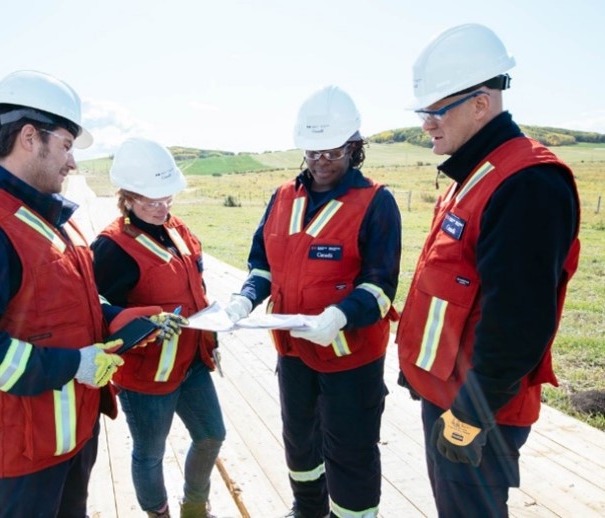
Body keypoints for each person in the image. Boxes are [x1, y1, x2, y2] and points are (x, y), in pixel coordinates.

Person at [0, 70, 177, 516]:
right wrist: (73, 365)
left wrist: (128, 321)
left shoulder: (51, 221)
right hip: (16, 458)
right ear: (29, 137)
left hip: (69, 440)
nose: (72, 162)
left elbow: (75, 308)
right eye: (65, 145)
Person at [395, 24, 581, 517]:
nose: (426, 125)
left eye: (436, 111)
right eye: (423, 111)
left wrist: (470, 415)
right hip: (450, 395)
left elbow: (520, 320)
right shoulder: (473, 172)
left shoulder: (527, 183)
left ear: (481, 104)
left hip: (480, 411)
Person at [224, 86, 401, 518]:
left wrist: (340, 315)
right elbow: (262, 264)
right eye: (313, 152)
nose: (321, 162)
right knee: (299, 438)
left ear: (354, 148)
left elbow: (381, 287)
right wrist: (244, 299)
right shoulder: (283, 198)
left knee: (350, 449)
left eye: (333, 152)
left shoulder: (376, 203)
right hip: (293, 351)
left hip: (349, 358)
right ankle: (307, 510)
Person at [90, 137, 225, 518]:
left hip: (192, 362)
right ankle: (158, 513)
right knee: (150, 453)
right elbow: (93, 308)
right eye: (151, 200)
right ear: (127, 197)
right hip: (147, 374)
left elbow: (193, 282)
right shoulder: (112, 247)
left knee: (212, 434)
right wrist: (141, 322)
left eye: (168, 197)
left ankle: (195, 506)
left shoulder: (176, 227)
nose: (162, 207)